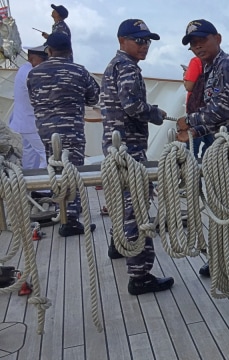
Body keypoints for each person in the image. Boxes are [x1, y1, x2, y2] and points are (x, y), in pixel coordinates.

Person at [100, 18, 174, 296]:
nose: (145, 46)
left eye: (147, 41)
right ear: (122, 41)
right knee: (137, 208)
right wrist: (155, 113)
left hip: (114, 147)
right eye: (139, 40)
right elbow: (132, 106)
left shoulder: (113, 66)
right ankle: (140, 275)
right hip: (129, 151)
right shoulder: (128, 67)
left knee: (121, 201)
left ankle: (117, 245)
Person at [175, 19, 229, 277]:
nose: (198, 47)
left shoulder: (228, 65)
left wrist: (191, 122)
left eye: (202, 40)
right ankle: (225, 255)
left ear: (217, 38)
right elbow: (217, 117)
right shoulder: (209, 69)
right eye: (193, 44)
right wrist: (194, 133)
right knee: (222, 203)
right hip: (221, 146)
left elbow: (222, 109)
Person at [27, 32, 99, 237]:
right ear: (70, 51)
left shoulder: (35, 73)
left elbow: (34, 100)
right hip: (71, 131)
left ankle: (62, 213)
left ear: (48, 51)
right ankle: (70, 221)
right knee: (72, 172)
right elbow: (94, 97)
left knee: (56, 172)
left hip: (46, 130)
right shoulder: (79, 71)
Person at [10, 45, 48, 170]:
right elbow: (41, 96)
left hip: (24, 121)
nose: (45, 63)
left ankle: (29, 185)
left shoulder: (24, 69)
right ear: (32, 58)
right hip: (31, 123)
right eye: (43, 60)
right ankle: (43, 189)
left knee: (31, 154)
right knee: (46, 153)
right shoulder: (30, 72)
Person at [183, 55, 214, 159]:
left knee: (192, 147)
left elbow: (189, 86)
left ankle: (193, 171)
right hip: (213, 111)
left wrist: (186, 75)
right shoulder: (219, 63)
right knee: (212, 145)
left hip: (196, 112)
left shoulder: (196, 61)